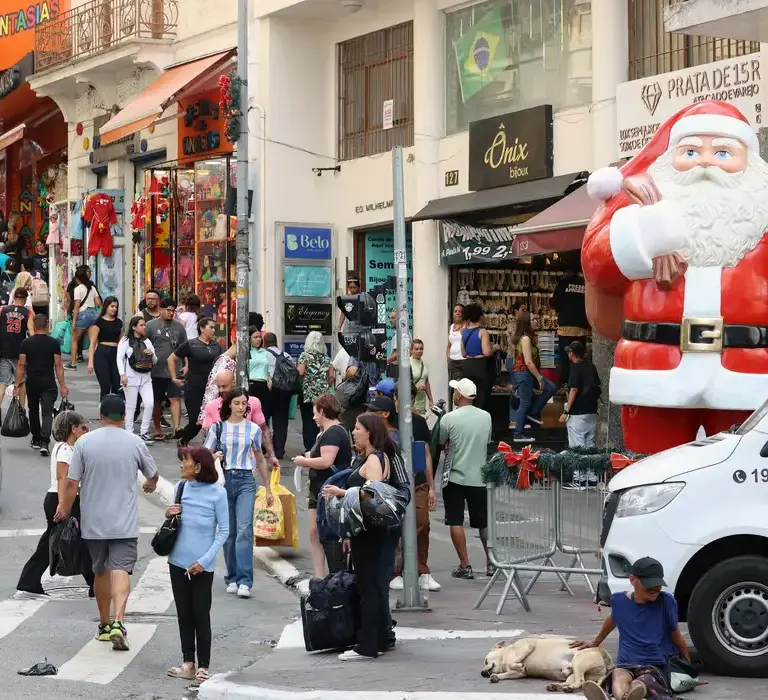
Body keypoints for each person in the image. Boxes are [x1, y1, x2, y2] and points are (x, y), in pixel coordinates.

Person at [55, 394, 159, 651]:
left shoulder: (85, 443)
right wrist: (150, 484)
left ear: (100, 415)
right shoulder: (135, 442)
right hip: (124, 521)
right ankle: (118, 622)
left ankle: (103, 624)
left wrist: (64, 509)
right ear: (124, 416)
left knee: (100, 571)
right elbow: (153, 474)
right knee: (121, 569)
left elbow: (71, 482)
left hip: (94, 521)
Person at [322, 413, 399, 661]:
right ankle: (376, 640)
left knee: (370, 586)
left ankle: (367, 646)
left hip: (372, 532)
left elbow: (373, 495)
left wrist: (340, 492)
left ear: (369, 432)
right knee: (372, 585)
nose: (353, 432)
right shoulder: (373, 457)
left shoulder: (376, 458)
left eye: (357, 428)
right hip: (365, 530)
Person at [571, 557, 690, 700]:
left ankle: (624, 696)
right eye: (649, 584)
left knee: (644, 680)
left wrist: (687, 663)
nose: (654, 589)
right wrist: (595, 642)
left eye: (657, 584)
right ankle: (624, 697)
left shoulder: (666, 601)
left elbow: (675, 634)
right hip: (627, 662)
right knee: (618, 675)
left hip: (655, 664)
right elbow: (612, 620)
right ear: (632, 579)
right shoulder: (619, 601)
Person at [166, 446, 229, 687]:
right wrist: (168, 512)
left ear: (199, 467)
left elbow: (224, 531)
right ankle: (187, 664)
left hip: (203, 565)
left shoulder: (217, 493)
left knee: (201, 615)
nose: (182, 464)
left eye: (186, 461)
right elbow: (174, 520)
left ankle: (203, 667)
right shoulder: (180, 488)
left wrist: (204, 561)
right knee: (184, 614)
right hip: (177, 561)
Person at [203, 388, 272, 599]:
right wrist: (215, 454)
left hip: (245, 481)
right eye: (237, 403)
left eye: (244, 403)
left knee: (245, 529)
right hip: (224, 480)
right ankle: (232, 577)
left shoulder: (253, 429)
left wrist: (268, 488)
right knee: (229, 532)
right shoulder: (218, 428)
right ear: (229, 405)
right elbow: (205, 454)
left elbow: (260, 458)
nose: (241, 407)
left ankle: (245, 580)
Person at [16, 411, 94, 596]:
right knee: (80, 541)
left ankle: (29, 580)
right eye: (83, 427)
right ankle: (96, 585)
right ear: (73, 429)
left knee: (53, 542)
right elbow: (63, 479)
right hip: (62, 499)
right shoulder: (65, 450)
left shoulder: (69, 448)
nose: (86, 430)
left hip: (63, 499)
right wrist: (63, 504)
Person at [292, 394, 353, 578]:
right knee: (314, 533)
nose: (313, 417)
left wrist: (303, 461)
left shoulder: (334, 432)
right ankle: (319, 577)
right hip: (318, 488)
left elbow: (327, 461)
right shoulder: (325, 433)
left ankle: (334, 576)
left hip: (328, 490)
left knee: (327, 534)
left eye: (315, 413)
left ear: (322, 411)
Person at [439, 378, 493, 580]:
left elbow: (442, 441)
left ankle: (465, 564)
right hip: (479, 476)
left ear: (459, 395)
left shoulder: (449, 418)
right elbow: (487, 441)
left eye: (455, 391)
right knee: (483, 522)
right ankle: (491, 563)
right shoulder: (486, 417)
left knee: (455, 520)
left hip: (455, 476)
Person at [390, 382, 439, 593]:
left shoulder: (418, 422)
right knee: (394, 527)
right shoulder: (387, 421)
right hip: (393, 482)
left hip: (417, 480)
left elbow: (426, 452)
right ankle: (396, 571)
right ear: (395, 399)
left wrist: (431, 486)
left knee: (422, 523)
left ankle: (422, 571)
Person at [14, 314, 69, 456]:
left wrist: (16, 384)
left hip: (32, 382)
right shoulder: (53, 343)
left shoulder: (26, 343)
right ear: (47, 325)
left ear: (34, 325)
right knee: (47, 412)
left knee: (33, 410)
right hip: (48, 383)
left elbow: (21, 365)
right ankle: (45, 442)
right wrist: (62, 385)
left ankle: (36, 439)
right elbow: (58, 365)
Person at [201, 369, 278, 468]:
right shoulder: (211, 406)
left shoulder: (253, 402)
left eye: (224, 386)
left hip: (247, 466)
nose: (221, 390)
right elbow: (206, 437)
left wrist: (272, 456)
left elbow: (263, 430)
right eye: (219, 386)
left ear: (233, 383)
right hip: (221, 466)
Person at [169, 318, 223, 446]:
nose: (214, 330)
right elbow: (171, 359)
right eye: (211, 327)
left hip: (212, 388)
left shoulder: (216, 346)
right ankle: (183, 441)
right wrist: (173, 378)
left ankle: (211, 446)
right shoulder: (191, 344)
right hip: (194, 387)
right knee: (196, 420)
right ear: (202, 329)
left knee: (213, 418)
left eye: (214, 327)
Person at [508, 310, 558, 443]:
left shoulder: (527, 338)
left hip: (527, 373)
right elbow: (528, 361)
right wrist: (539, 377)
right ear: (526, 323)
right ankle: (518, 432)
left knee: (550, 387)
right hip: (525, 373)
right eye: (533, 320)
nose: (536, 321)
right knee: (525, 402)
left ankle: (531, 413)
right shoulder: (525, 338)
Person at [147, 299, 186, 441]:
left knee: (175, 398)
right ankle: (157, 429)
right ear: (160, 309)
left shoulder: (179, 327)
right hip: (155, 370)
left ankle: (177, 428)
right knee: (156, 401)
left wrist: (186, 365)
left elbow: (185, 347)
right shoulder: (150, 326)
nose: (171, 313)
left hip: (175, 370)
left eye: (173, 311)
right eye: (168, 310)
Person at [117, 316, 157, 444]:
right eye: (141, 325)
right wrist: (122, 374)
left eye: (144, 325)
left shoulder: (147, 341)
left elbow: (155, 361)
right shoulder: (125, 341)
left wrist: (151, 354)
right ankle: (129, 432)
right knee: (131, 407)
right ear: (134, 327)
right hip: (130, 378)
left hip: (146, 378)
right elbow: (119, 358)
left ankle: (143, 432)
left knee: (149, 403)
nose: (144, 327)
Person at [552, 264, 590, 387]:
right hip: (581, 329)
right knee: (579, 357)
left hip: (565, 328)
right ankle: (578, 383)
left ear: (568, 271)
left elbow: (555, 303)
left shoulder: (562, 283)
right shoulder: (585, 283)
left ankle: (566, 384)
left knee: (565, 358)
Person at [298, 331, 334, 452]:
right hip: (323, 395)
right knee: (322, 420)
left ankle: (309, 447)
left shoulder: (304, 356)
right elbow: (331, 377)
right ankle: (320, 446)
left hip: (308, 394)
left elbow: (301, 372)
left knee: (308, 421)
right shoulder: (327, 358)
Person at [560, 341, 601, 447]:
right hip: (591, 412)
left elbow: (574, 389)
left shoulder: (575, 368)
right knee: (589, 444)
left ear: (572, 354)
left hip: (578, 413)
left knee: (577, 447)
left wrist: (566, 411)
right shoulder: (592, 367)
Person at [0, 287, 34, 410]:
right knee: (22, 382)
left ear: (13, 298)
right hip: (20, 352)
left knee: (2, 382)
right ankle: (21, 409)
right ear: (25, 299)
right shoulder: (28, 313)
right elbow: (32, 333)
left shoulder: (3, 310)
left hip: (4, 351)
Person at [460, 303, 499, 411]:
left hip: (467, 366)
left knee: (468, 396)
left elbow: (463, 353)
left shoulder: (464, 332)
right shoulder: (483, 332)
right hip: (480, 366)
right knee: (481, 396)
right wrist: (495, 347)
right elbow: (487, 352)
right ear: (480, 317)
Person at [264, 332, 294, 459]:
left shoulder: (264, 354)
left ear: (264, 343)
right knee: (281, 421)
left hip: (268, 389)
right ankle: (279, 449)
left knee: (263, 419)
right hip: (284, 391)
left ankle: (263, 447)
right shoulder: (286, 356)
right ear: (276, 342)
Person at [87, 296, 123, 399]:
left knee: (117, 386)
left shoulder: (119, 323)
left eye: (116, 307)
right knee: (105, 385)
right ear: (106, 307)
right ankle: (103, 410)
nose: (114, 309)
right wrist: (90, 362)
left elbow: (121, 341)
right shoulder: (98, 322)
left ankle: (115, 411)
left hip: (116, 353)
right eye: (112, 306)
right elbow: (92, 343)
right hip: (102, 353)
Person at [68, 266, 101, 369]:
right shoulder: (92, 288)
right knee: (93, 340)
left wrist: (74, 322)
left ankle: (73, 363)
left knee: (74, 339)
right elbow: (99, 303)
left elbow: (77, 306)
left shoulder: (77, 289)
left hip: (82, 315)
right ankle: (94, 362)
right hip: (93, 314)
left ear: (78, 279)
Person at [246, 327, 271, 420]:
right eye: (255, 337)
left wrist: (269, 379)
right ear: (249, 339)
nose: (258, 339)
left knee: (264, 414)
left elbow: (269, 368)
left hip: (263, 385)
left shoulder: (265, 352)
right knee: (250, 412)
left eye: (260, 337)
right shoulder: (246, 352)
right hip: (251, 384)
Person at [409, 339, 433, 417]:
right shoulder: (408, 364)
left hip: (422, 401)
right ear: (411, 350)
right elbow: (404, 383)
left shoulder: (423, 363)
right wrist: (415, 387)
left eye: (421, 349)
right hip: (412, 401)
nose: (419, 351)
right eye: (416, 349)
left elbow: (426, 382)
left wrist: (430, 399)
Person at [446, 303, 466, 382]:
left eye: (460, 311)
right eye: (455, 311)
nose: (458, 313)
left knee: (464, 384)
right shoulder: (451, 327)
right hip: (452, 361)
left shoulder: (466, 326)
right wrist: (448, 357)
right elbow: (449, 344)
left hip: (463, 360)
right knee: (455, 383)